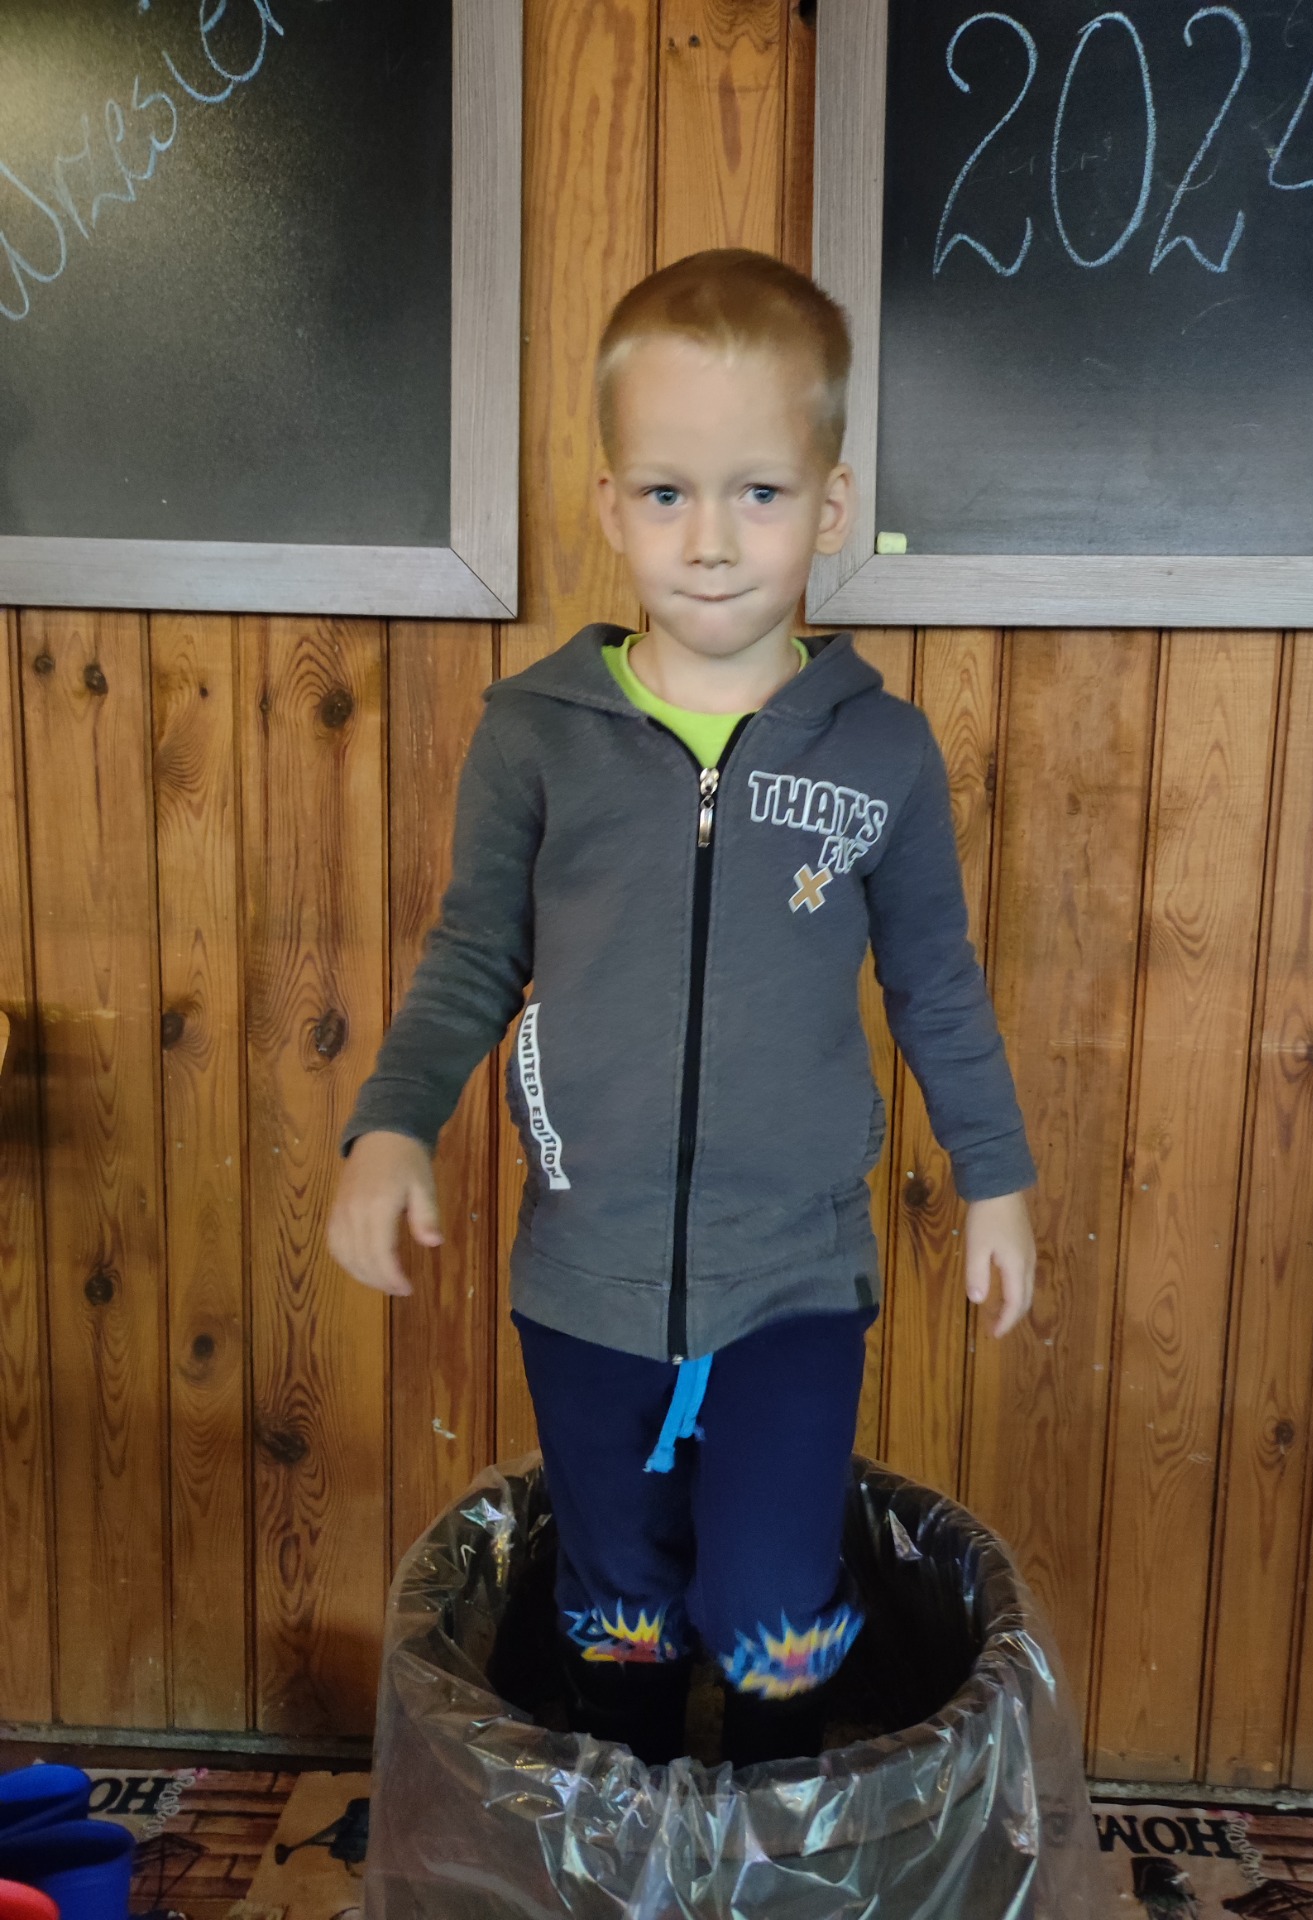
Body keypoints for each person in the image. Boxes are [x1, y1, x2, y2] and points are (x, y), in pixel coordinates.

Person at [327, 247, 1037, 1771]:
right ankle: (634, 1836)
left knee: (777, 1604)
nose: (710, 541)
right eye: (667, 493)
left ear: (830, 506)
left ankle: (780, 1836)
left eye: (758, 493)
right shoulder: (533, 735)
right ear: (610, 505)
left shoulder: (884, 753)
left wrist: (997, 1177)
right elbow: (471, 952)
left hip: (797, 1280)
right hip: (582, 1276)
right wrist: (391, 1126)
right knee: (618, 1602)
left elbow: (937, 981)